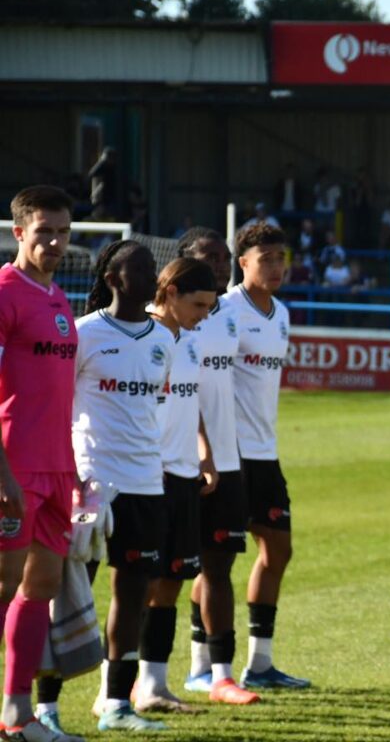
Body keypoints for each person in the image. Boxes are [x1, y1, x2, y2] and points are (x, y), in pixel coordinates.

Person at [74, 240, 175, 732]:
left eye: (152, 267)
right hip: (92, 482)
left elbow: (150, 404)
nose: (151, 275)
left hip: (144, 483)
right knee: (69, 591)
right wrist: (71, 472)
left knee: (133, 595)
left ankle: (115, 703)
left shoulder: (165, 339)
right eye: (139, 268)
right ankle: (42, 704)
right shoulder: (84, 335)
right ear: (112, 278)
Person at [0, 187, 84, 742]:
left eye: (61, 232)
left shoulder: (57, 299)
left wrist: (72, 468)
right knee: (1, 587)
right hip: (14, 469)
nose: (53, 242)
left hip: (55, 469)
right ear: (19, 233)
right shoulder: (5, 294)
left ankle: (17, 713)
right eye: (43, 231)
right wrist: (3, 474)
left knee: (42, 586)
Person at [176, 228, 261, 706]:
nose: (222, 264)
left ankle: (219, 673)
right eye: (211, 258)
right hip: (181, 461)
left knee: (218, 565)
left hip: (228, 460)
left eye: (225, 258)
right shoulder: (171, 321)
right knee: (164, 575)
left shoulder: (229, 315)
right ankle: (144, 678)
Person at [226, 223, 310, 689]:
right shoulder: (224, 311)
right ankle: (206, 666)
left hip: (265, 453)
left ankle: (259, 665)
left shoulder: (281, 313)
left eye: (281, 257)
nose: (277, 267)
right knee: (216, 558)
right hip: (229, 453)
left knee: (278, 549)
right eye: (266, 258)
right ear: (244, 263)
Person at [134, 258, 219, 714]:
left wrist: (204, 450)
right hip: (146, 476)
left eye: (209, 306)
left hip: (186, 475)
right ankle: (115, 689)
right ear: (168, 292)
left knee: (169, 583)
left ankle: (153, 686)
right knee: (135, 587)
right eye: (197, 304)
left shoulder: (190, 342)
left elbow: (192, 402)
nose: (203, 314)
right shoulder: (137, 336)